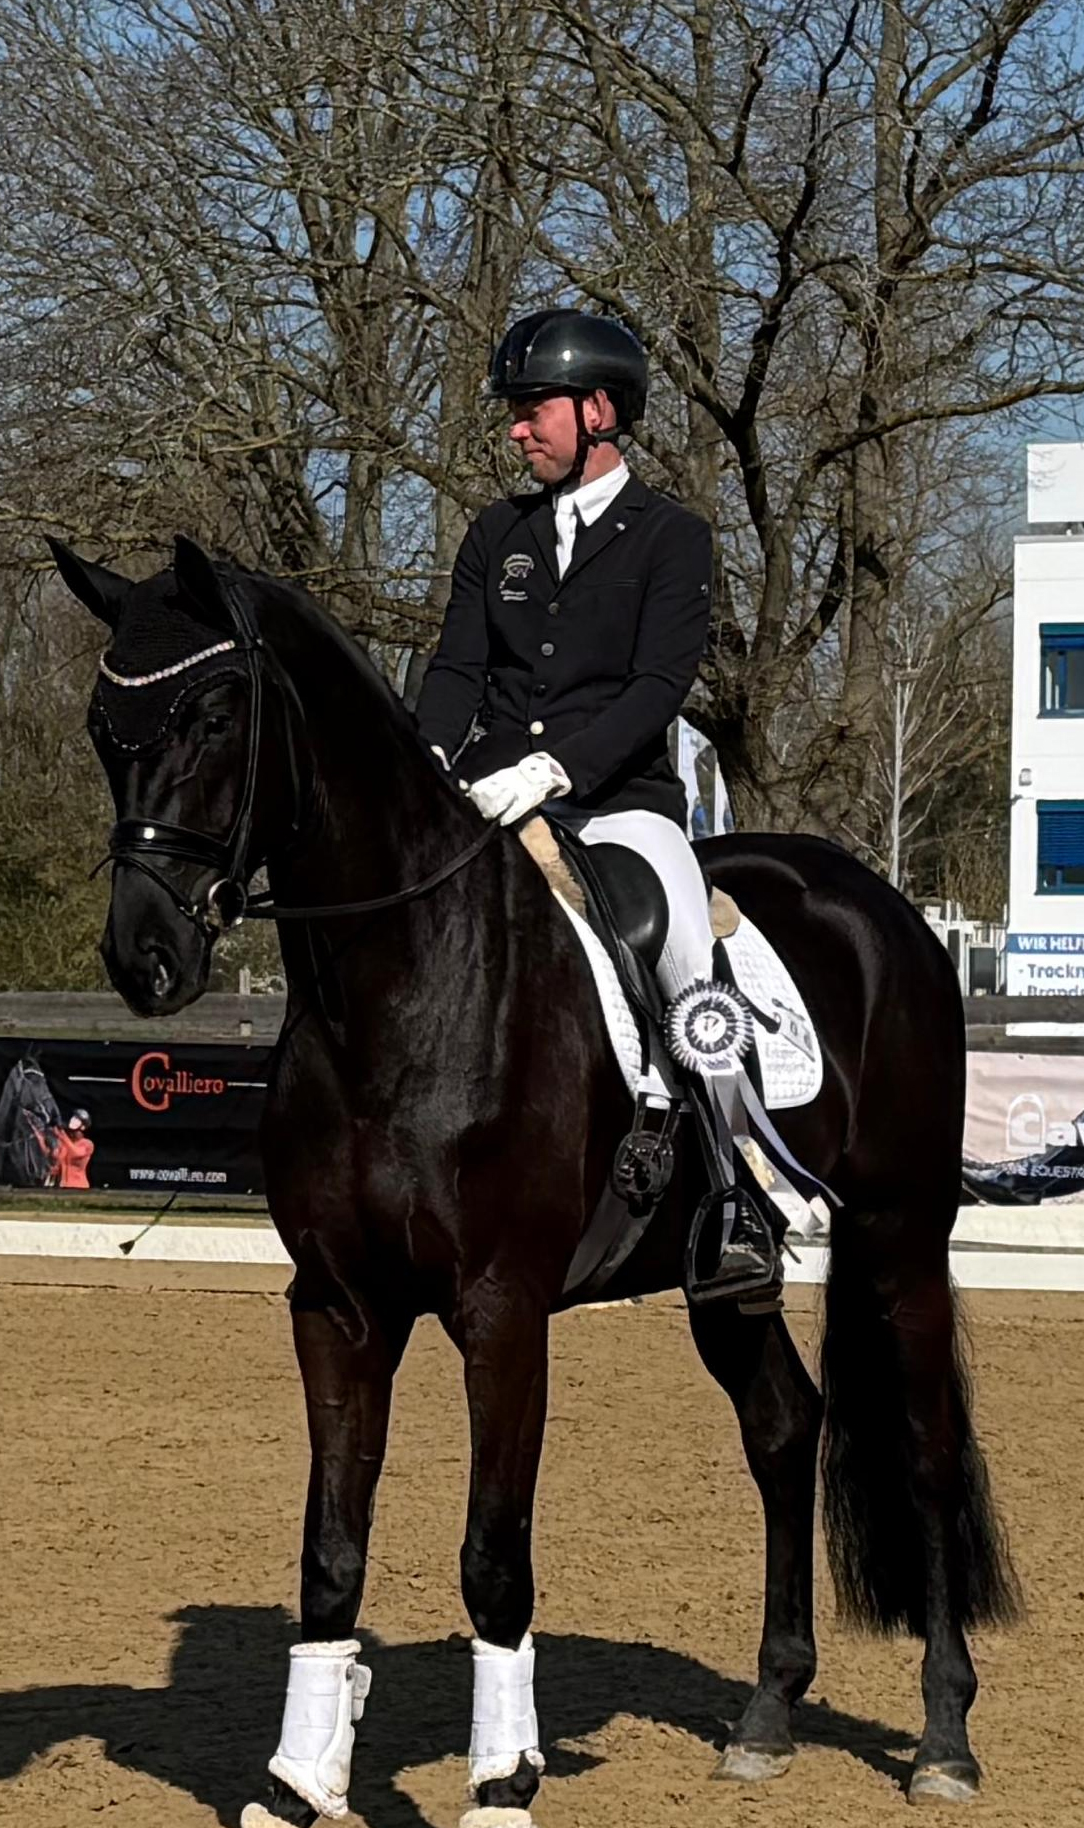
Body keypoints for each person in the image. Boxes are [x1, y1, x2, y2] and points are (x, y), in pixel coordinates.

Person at [410, 308, 771, 1303]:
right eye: (513, 414)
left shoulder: (673, 538)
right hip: (488, 795)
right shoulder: (497, 535)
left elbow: (659, 688)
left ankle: (733, 1198)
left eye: (533, 410)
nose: (516, 430)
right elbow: (455, 669)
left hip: (618, 804)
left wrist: (557, 770)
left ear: (600, 410)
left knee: (683, 944)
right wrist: (429, 758)